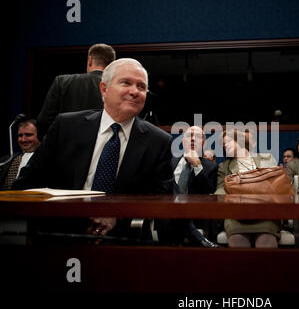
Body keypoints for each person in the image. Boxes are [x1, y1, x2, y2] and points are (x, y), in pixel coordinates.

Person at [14, 58, 174, 237]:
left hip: (122, 239)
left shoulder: (159, 142)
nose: (134, 91)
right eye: (126, 83)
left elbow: (160, 200)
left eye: (141, 87)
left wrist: (117, 216)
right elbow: (27, 182)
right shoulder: (66, 126)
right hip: (58, 233)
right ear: (104, 89)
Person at [215, 129, 280, 248]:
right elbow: (220, 190)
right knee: (237, 239)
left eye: (228, 141)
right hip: (237, 214)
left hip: (265, 212)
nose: (225, 146)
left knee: (265, 240)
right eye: (223, 145)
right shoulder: (224, 166)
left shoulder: (266, 158)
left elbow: (274, 184)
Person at [155, 126, 218, 247]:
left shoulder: (210, 167)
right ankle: (200, 240)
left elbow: (207, 193)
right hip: (166, 212)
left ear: (204, 143)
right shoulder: (168, 162)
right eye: (189, 136)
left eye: (198, 137)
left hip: (194, 213)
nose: (193, 139)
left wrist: (197, 165)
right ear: (183, 141)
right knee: (168, 185)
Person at [37, 43, 116, 139]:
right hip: (103, 149)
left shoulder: (62, 82)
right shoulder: (116, 87)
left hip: (65, 146)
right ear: (112, 64)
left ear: (90, 60)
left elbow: (44, 121)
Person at [0, 119, 40, 190]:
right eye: (20, 135)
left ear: (40, 136)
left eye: (28, 135)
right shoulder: (7, 160)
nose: (23, 139)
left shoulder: (47, 160)